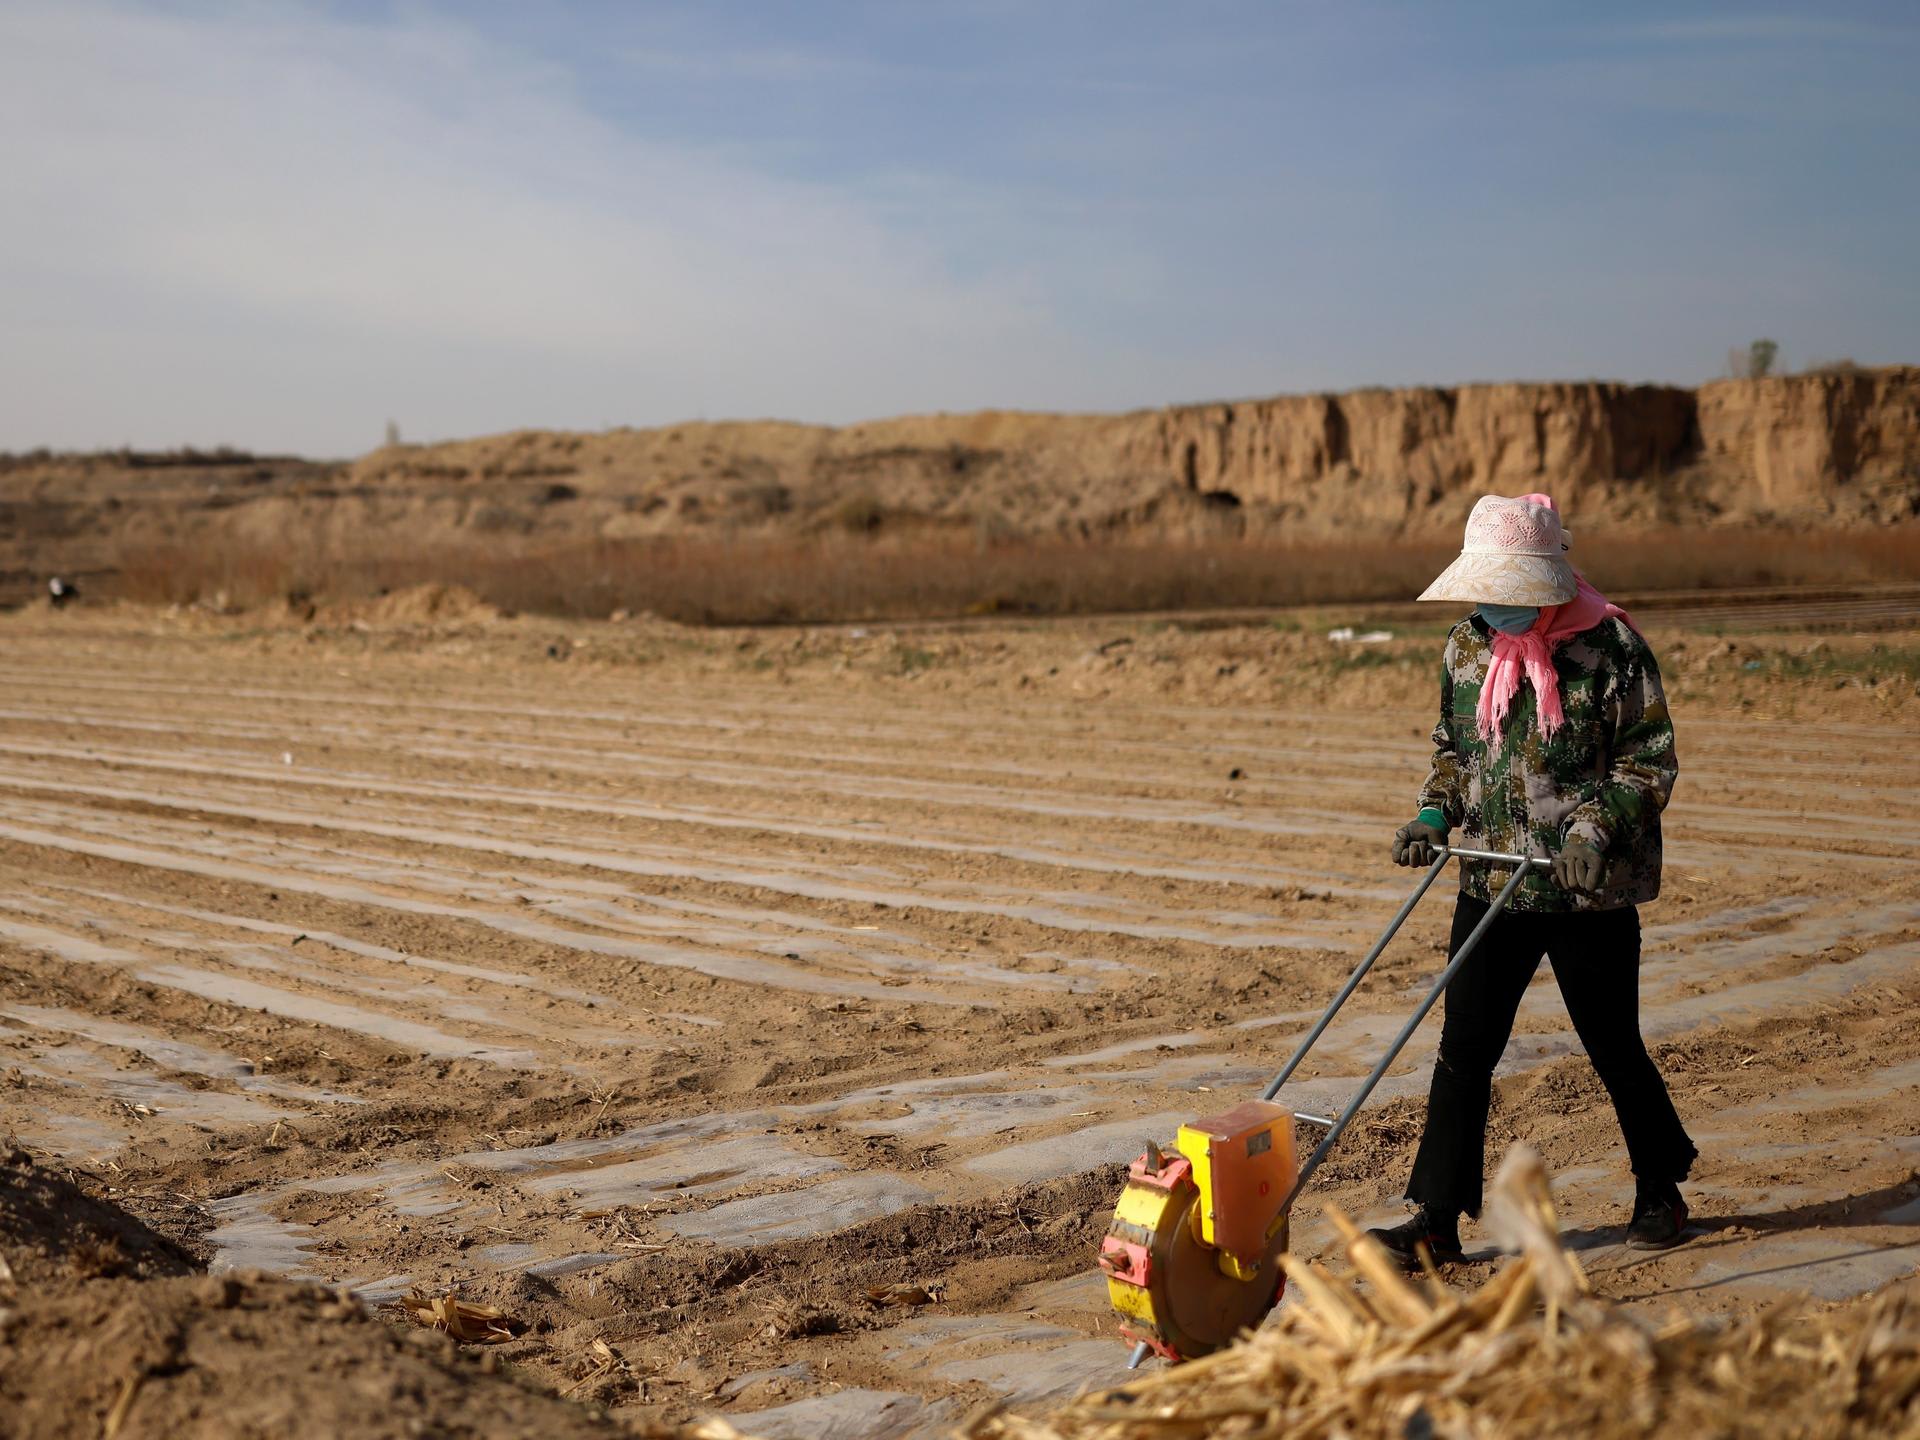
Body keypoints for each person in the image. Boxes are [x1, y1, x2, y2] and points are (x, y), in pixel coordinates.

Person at [1367, 493, 1695, 1266]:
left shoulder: (1610, 649)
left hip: (1584, 889)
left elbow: (1649, 761)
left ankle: (1660, 1188)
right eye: (1487, 589)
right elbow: (1455, 750)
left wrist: (1592, 832)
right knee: (1463, 1049)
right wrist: (1432, 818)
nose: (1495, 605)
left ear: (1546, 582)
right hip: (1493, 879)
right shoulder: (1467, 647)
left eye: (1508, 590)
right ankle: (1437, 1220)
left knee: (1612, 1043)